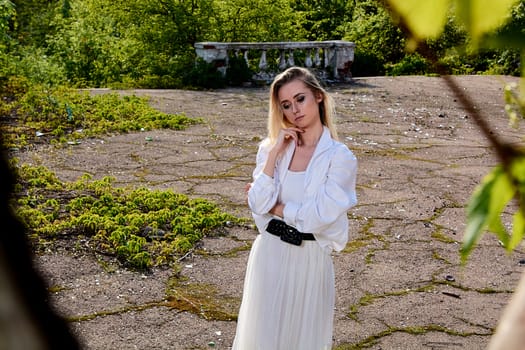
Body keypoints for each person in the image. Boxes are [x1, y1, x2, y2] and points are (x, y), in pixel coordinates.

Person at [232, 66, 358, 349]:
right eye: (286, 105)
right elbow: (256, 203)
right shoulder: (271, 149)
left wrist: (276, 208)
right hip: (269, 255)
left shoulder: (340, 158)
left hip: (310, 261)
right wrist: (275, 153)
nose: (295, 110)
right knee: (261, 341)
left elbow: (318, 216)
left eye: (300, 99)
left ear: (319, 97)